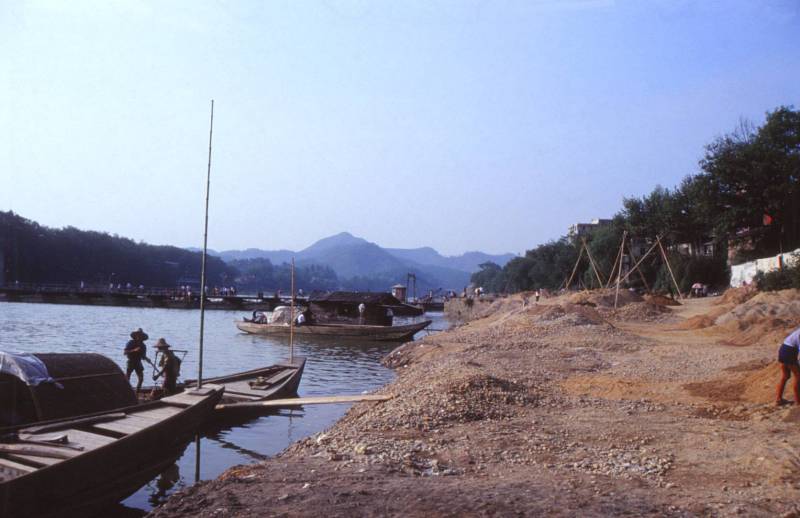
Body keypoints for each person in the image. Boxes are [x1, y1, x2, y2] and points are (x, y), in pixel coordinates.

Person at [776, 326, 800, 405]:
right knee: (798, 376)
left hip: (783, 349)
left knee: (785, 376)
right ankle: (798, 401)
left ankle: (778, 399)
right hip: (789, 352)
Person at [124, 328, 150, 393]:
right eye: (138, 335)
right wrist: (134, 350)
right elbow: (125, 352)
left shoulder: (143, 346)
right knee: (127, 378)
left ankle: (137, 392)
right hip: (130, 361)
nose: (139, 336)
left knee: (141, 379)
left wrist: (147, 359)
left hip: (138, 362)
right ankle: (126, 392)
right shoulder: (130, 342)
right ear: (135, 336)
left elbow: (143, 356)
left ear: (142, 337)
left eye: (140, 335)